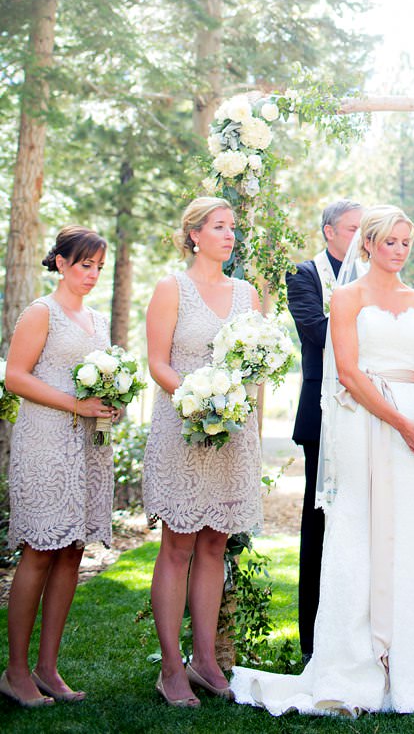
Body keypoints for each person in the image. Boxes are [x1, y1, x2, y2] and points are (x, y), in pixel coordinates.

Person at [231, 205, 414, 715]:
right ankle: (356, 663)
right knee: (361, 532)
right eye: (390, 242)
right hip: (366, 424)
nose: (399, 251)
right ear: (367, 244)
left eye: (406, 242)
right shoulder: (346, 297)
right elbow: (348, 372)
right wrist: (403, 423)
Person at [143, 197, 263, 708]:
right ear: (194, 235)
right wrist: (194, 399)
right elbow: (157, 362)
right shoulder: (172, 288)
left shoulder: (247, 293)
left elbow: (257, 359)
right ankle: (170, 668)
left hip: (235, 432)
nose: (229, 235)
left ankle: (205, 660)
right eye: (219, 227)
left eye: (232, 227)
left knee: (215, 543)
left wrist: (236, 405)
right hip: (183, 426)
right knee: (179, 545)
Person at [2, 226, 115, 708]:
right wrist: (75, 404)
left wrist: (112, 401)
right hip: (46, 443)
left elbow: (105, 377)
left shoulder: (96, 319)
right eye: (84, 264)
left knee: (72, 550)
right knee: (40, 550)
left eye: (98, 268)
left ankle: (48, 667)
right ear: (62, 262)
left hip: (87, 445)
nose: (91, 275)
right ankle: (15, 670)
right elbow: (14, 376)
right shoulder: (40, 312)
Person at [286, 198, 362, 661]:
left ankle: (356, 634)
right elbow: (315, 330)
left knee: (360, 523)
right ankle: (314, 641)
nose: (361, 237)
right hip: (321, 413)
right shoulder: (304, 274)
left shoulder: (372, 276)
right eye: (353, 228)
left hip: (368, 412)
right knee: (318, 525)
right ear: (329, 231)